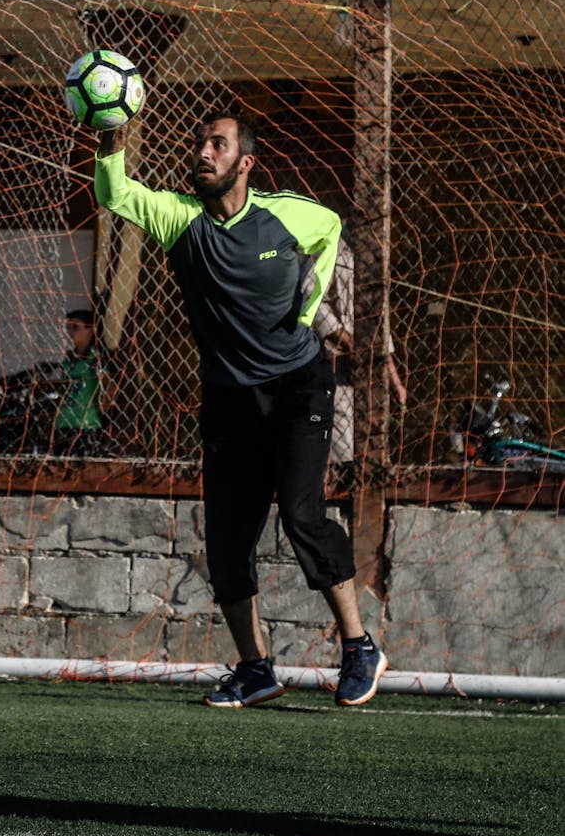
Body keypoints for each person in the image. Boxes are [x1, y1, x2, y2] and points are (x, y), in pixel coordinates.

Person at [95, 112, 388, 708]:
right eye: (199, 143)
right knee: (227, 545)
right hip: (228, 399)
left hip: (299, 387)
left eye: (217, 145)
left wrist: (310, 308)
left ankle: (359, 647)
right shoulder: (180, 219)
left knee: (302, 515)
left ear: (244, 163)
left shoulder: (285, 214)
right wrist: (110, 134)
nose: (203, 152)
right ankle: (256, 669)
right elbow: (114, 191)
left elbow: (332, 227)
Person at [312, 231, 407, 466]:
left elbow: (379, 324)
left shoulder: (375, 257)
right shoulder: (326, 246)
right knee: (342, 450)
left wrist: (394, 380)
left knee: (372, 446)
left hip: (371, 372)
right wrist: (355, 348)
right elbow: (315, 306)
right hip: (333, 365)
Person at [52, 308, 111, 457]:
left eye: (76, 327)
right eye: (69, 327)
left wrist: (102, 407)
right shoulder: (69, 358)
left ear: (90, 330)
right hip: (63, 423)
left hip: (85, 425)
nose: (70, 331)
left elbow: (109, 387)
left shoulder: (95, 359)